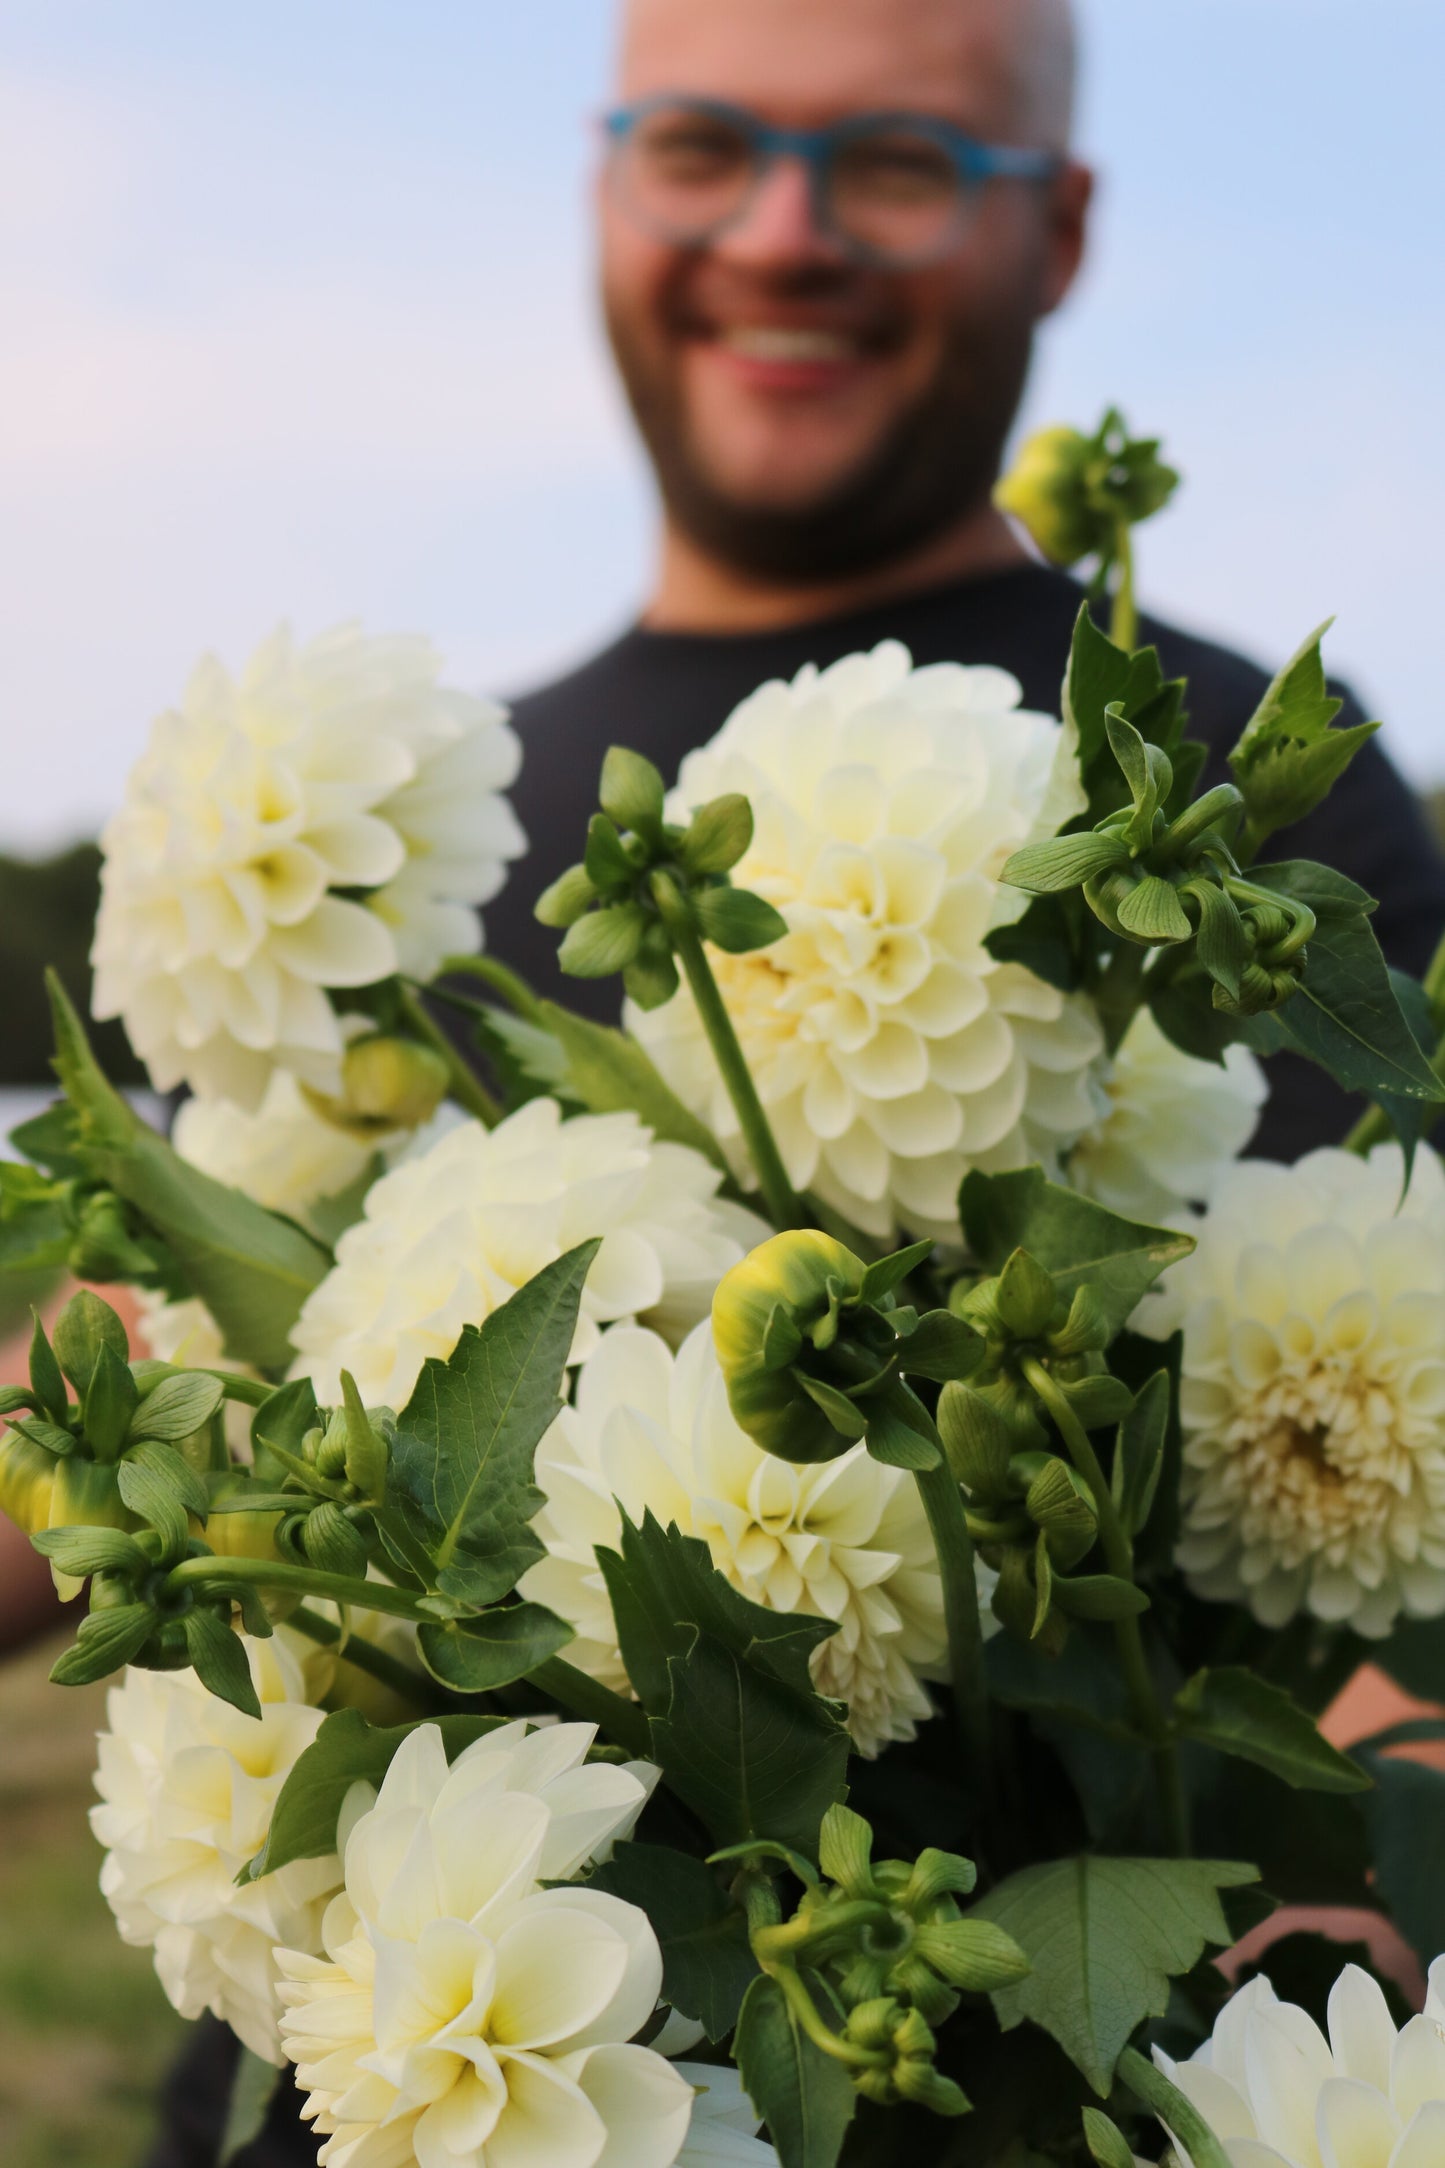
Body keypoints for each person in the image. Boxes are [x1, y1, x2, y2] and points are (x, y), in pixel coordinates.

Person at [56, 0, 1445, 2158]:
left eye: (899, 160)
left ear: (1058, 229)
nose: (783, 233)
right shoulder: (422, 846)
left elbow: (1389, 1625)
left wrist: (1302, 1968)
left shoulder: (1232, 825)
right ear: (612, 182)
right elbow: (120, 1394)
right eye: (704, 142)